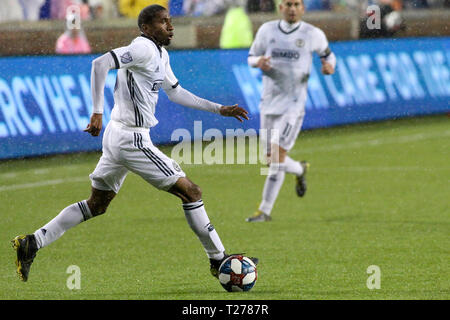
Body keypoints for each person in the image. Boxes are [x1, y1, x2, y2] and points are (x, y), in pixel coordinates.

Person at [12, 4, 256, 282]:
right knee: (191, 192)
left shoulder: (160, 54)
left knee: (97, 204)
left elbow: (175, 93)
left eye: (170, 21)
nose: (171, 27)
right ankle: (218, 259)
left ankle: (32, 242)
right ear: (146, 28)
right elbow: (99, 63)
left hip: (118, 135)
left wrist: (219, 109)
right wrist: (96, 111)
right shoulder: (141, 48)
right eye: (164, 22)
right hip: (131, 138)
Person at [246, 0, 336, 222]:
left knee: (276, 156)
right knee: (270, 159)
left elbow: (328, 55)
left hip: (293, 106)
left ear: (303, 8)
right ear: (280, 8)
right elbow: (250, 58)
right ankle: (299, 169)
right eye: (288, 4)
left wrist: (329, 66)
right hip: (269, 103)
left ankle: (264, 211)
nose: (293, 8)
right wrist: (260, 62)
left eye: (297, 4)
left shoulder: (313, 34)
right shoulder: (267, 30)